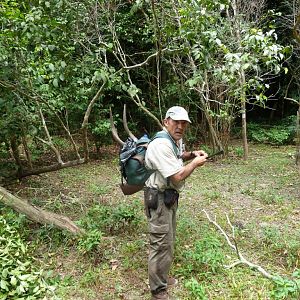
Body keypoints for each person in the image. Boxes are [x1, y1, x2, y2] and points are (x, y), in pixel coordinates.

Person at [144, 106, 208, 300]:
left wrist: (190, 154)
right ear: (166, 122)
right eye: (176, 122)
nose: (180, 126)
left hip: (168, 198)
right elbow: (178, 176)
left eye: (184, 123)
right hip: (159, 199)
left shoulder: (174, 140)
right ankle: (158, 291)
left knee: (168, 242)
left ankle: (161, 278)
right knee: (160, 244)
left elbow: (177, 156)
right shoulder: (161, 145)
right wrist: (195, 163)